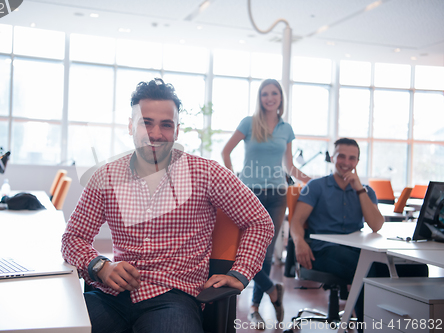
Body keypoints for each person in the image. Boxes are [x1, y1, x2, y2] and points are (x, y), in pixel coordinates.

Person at [61, 78, 275, 333]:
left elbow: (259, 222)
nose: (155, 133)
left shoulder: (206, 174)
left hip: (173, 298)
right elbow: (73, 238)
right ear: (131, 126)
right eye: (145, 122)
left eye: (166, 124)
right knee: (57, 327)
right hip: (114, 294)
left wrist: (240, 273)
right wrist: (100, 266)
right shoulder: (106, 176)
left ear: (176, 130)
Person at [290, 137, 427, 332]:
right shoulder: (316, 186)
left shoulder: (366, 191)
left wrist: (359, 189)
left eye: (352, 158)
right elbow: (296, 221)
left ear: (357, 162)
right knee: (365, 270)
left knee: (416, 269)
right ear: (332, 157)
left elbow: (377, 225)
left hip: (356, 249)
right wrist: (299, 242)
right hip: (322, 250)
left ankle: (401, 325)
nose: (346, 162)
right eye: (342, 156)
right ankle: (368, 327)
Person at [222, 78, 311, 326]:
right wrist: (234, 180)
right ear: (259, 98)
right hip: (249, 193)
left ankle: (255, 307)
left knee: (267, 255)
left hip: (277, 195)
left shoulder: (286, 129)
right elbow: (226, 151)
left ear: (281, 98)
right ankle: (273, 290)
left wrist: (311, 180)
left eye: (274, 93)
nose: (269, 98)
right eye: (264, 94)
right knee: (242, 250)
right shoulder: (248, 123)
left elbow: (290, 165)